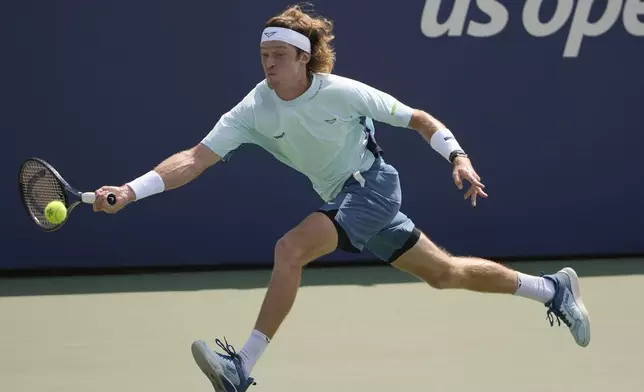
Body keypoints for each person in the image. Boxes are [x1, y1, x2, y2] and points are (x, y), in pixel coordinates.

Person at [92, 4, 591, 392]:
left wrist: (457, 157)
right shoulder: (252, 108)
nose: (268, 63)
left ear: (303, 58)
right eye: (264, 55)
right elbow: (193, 159)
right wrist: (130, 191)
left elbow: (419, 119)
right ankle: (552, 290)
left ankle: (241, 365)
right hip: (343, 197)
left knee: (290, 249)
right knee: (446, 273)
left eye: (279, 56)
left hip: (372, 186)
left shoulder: (341, 92)